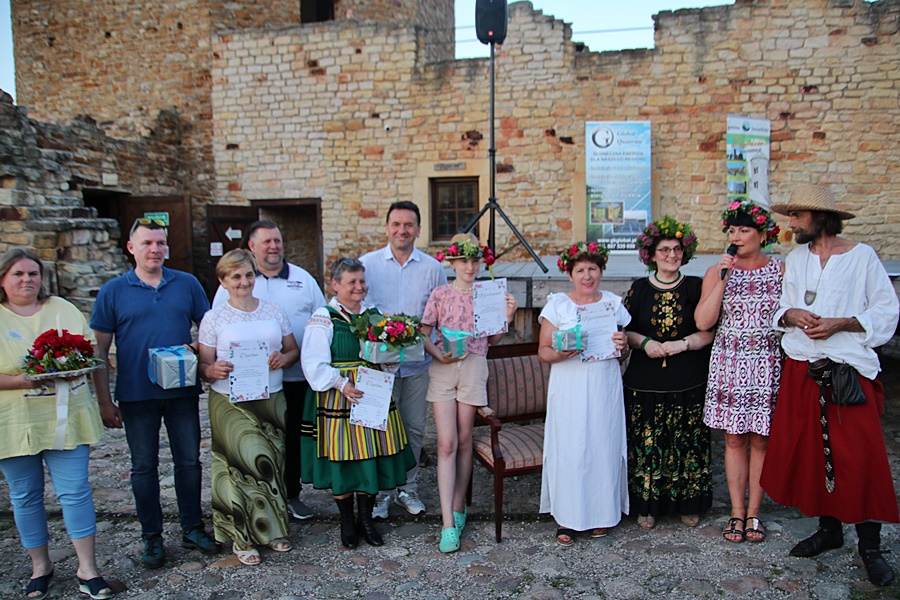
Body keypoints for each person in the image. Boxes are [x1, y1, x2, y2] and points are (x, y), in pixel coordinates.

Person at [760, 184, 899, 586]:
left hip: (847, 370)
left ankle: (870, 546)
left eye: (797, 216)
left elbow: (886, 310)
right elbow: (781, 308)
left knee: (860, 455)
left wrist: (843, 323)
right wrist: (791, 314)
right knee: (813, 453)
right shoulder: (797, 258)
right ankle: (830, 529)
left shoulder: (862, 257)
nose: (791, 224)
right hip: (803, 367)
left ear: (820, 217)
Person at [91, 218, 218, 569]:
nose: (155, 249)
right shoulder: (113, 291)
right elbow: (99, 351)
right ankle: (152, 536)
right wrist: (104, 400)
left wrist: (194, 350)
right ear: (131, 247)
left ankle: (192, 527)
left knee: (189, 461)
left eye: (160, 243)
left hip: (181, 390)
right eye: (147, 243)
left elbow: (210, 330)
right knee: (144, 466)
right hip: (137, 394)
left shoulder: (187, 284)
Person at [0, 249, 112, 600]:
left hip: (68, 418)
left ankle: (88, 569)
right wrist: (21, 381)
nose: (27, 280)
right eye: (18, 274)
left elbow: (92, 355)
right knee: (25, 496)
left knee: (75, 491)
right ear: (2, 279)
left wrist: (100, 395)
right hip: (14, 421)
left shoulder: (62, 308)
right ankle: (41, 566)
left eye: (33, 273)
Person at [213, 219, 325, 521]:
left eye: (277, 241)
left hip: (295, 376)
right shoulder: (237, 282)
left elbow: (322, 318)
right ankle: (254, 499)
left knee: (291, 438)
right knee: (254, 439)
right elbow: (217, 325)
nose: (274, 247)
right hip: (247, 382)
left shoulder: (303, 279)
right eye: (267, 242)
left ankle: (291, 495)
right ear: (252, 246)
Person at [300, 258, 415, 549]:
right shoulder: (324, 317)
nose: (358, 287)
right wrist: (341, 384)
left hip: (371, 395)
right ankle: (346, 522)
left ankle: (366, 520)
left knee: (369, 457)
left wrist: (390, 362)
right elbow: (312, 363)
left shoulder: (374, 316)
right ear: (335, 285)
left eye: (361, 281)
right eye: (351, 282)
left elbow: (386, 357)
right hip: (338, 397)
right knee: (343, 459)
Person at [199, 249, 298, 565]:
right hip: (230, 402)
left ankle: (273, 529)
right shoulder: (214, 318)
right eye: (236, 276)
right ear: (223, 281)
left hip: (270, 398)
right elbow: (204, 364)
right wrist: (212, 370)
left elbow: (292, 350)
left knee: (271, 462)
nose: (244, 281)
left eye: (249, 274)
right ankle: (241, 536)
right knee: (236, 468)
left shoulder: (273, 311)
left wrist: (283, 358)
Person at [421, 234, 518, 553]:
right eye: (463, 261)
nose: (470, 266)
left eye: (475, 260)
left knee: (464, 440)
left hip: (474, 366)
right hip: (444, 368)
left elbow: (494, 340)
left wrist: (508, 316)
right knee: (446, 443)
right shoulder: (440, 294)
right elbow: (424, 333)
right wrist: (438, 354)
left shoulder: (488, 293)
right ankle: (447, 522)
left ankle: (458, 505)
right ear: (452, 263)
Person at [695, 200, 783, 544]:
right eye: (732, 230)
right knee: (733, 439)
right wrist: (723, 277)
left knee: (760, 439)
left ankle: (754, 513)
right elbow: (704, 322)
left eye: (744, 230)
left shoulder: (780, 270)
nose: (736, 236)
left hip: (765, 361)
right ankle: (735, 511)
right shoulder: (715, 271)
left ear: (762, 235)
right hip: (730, 362)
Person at [537, 242, 631, 546]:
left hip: (604, 384)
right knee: (571, 447)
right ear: (570, 274)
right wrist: (562, 353)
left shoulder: (613, 304)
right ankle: (568, 517)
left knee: (603, 445)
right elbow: (543, 351)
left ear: (601, 271)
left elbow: (622, 352)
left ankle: (601, 514)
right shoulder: (558, 305)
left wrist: (623, 345)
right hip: (570, 384)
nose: (587, 276)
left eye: (593, 269)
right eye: (580, 270)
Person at [624, 217, 715, 531]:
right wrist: (646, 343)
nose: (671, 255)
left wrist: (683, 344)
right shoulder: (638, 289)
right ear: (651, 254)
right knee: (647, 444)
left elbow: (709, 331)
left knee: (686, 443)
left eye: (677, 249)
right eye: (664, 249)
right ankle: (646, 507)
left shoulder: (696, 287)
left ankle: (688, 504)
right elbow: (625, 331)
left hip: (688, 378)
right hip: (644, 380)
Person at [359, 201, 447, 518]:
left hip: (416, 365)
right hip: (379, 367)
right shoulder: (367, 264)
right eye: (396, 224)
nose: (402, 230)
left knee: (413, 429)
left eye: (409, 225)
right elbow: (358, 309)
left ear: (418, 230)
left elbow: (441, 311)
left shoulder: (432, 268)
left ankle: (407, 488)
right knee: (379, 428)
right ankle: (383, 492)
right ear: (386, 228)